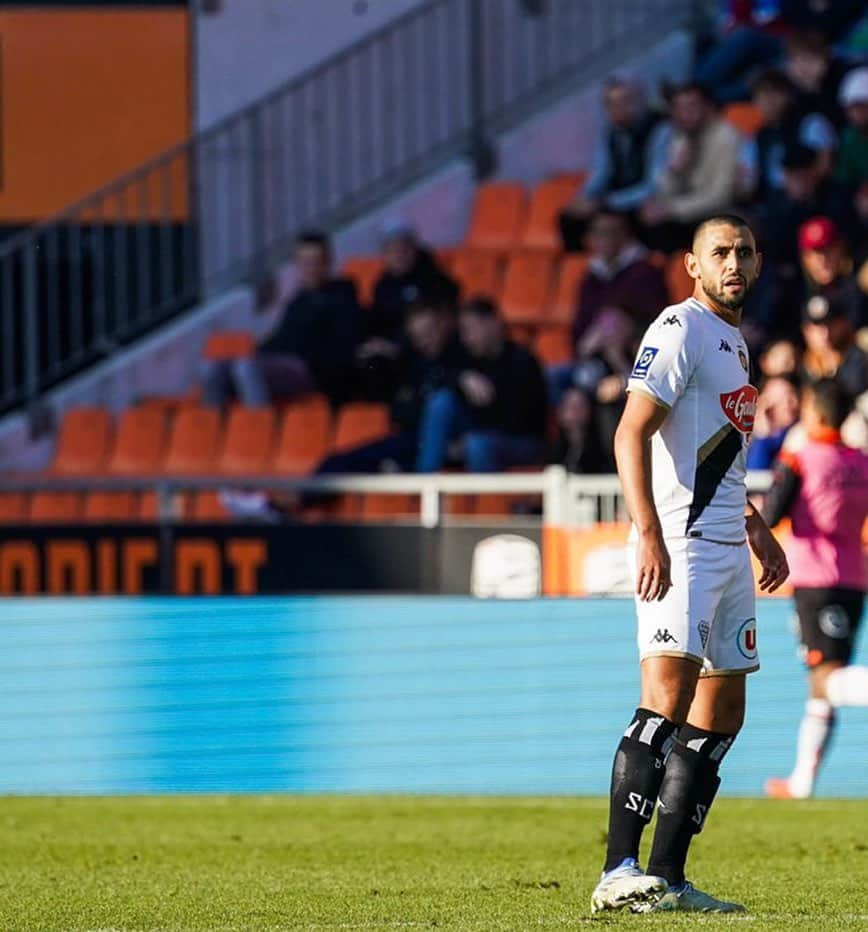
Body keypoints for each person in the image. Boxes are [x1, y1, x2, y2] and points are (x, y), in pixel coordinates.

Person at [590, 215, 788, 915]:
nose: (734, 262)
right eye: (720, 253)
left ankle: (667, 878)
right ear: (692, 266)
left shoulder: (733, 341)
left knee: (722, 712)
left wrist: (757, 528)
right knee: (665, 701)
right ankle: (618, 869)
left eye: (744, 252)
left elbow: (719, 455)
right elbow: (629, 431)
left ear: (758, 265)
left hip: (729, 548)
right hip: (682, 543)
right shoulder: (680, 328)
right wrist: (645, 531)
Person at [762, 379, 868, 799]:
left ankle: (802, 781)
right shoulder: (860, 462)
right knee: (819, 683)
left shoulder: (802, 459)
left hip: (815, 580)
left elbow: (770, 513)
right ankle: (802, 782)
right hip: (854, 578)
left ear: (814, 413)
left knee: (827, 678)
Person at [202, 231, 363, 407]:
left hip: (312, 370)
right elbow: (281, 337)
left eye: (315, 262)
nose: (310, 269)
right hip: (284, 362)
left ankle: (259, 426)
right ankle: (216, 425)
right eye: (304, 263)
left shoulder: (342, 295)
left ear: (327, 262)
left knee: (246, 367)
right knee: (211, 368)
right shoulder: (298, 300)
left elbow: (339, 344)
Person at [317, 297, 462, 475]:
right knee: (336, 463)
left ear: (442, 325)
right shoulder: (412, 364)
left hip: (441, 442)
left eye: (428, 332)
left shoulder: (460, 359)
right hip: (410, 439)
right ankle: (300, 498)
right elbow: (397, 413)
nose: (423, 341)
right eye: (417, 336)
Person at [415, 297, 547, 473]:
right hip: (480, 432)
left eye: (470, 329)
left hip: (523, 440)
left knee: (478, 445)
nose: (466, 337)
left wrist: (469, 437)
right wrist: (463, 378)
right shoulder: (467, 359)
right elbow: (440, 375)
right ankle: (425, 483)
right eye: (463, 331)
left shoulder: (522, 361)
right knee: (442, 402)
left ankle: (488, 500)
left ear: (492, 324)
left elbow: (522, 422)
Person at [559, 79, 668, 250]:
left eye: (626, 101)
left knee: (653, 220)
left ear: (640, 101)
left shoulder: (660, 130)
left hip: (643, 200)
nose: (620, 109)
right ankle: (587, 271)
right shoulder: (609, 134)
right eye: (612, 104)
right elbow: (600, 173)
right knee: (570, 219)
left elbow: (654, 185)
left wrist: (609, 202)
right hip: (614, 201)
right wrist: (586, 198)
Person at [640, 85, 745, 253]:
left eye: (691, 106)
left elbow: (720, 196)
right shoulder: (679, 138)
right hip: (685, 214)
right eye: (679, 108)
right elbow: (664, 192)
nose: (684, 114)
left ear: (707, 107)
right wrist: (676, 171)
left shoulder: (727, 136)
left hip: (719, 213)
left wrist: (671, 209)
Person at [745, 68, 836, 201]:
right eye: (761, 96)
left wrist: (805, 182)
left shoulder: (811, 123)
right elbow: (752, 177)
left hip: (812, 197)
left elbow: (825, 165)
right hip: (771, 202)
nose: (768, 101)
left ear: (788, 95)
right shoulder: (760, 135)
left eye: (774, 93)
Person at [368, 222, 459, 342]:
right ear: (385, 255)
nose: (399, 255)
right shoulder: (382, 287)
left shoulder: (432, 275)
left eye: (404, 249)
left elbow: (447, 312)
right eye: (392, 251)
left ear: (414, 249)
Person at [800, 292, 868, 402]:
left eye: (830, 324)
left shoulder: (862, 357)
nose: (825, 333)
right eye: (818, 328)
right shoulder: (803, 371)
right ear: (806, 332)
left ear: (842, 324)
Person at [548, 387, 613, 474]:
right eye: (571, 406)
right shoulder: (552, 450)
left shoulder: (602, 447)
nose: (575, 412)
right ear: (560, 412)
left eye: (580, 406)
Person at [834, 68, 868, 232]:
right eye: (851, 108)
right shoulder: (850, 139)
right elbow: (845, 180)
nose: (855, 113)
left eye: (861, 107)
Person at [746, 374, 801, 469]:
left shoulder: (801, 434)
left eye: (791, 395)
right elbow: (756, 472)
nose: (788, 403)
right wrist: (763, 432)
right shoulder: (749, 435)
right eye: (781, 398)